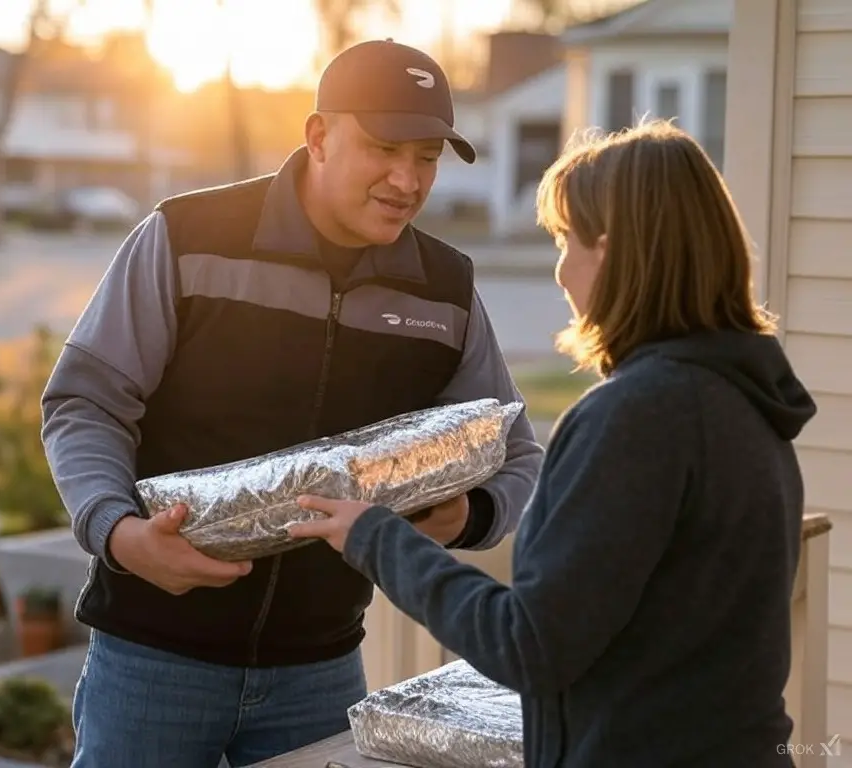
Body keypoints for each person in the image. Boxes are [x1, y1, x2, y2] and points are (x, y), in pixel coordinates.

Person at [41, 38, 544, 768]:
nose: (408, 179)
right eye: (384, 148)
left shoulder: (445, 289)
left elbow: (515, 448)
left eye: (428, 156)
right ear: (318, 136)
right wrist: (118, 534)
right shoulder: (187, 239)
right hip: (153, 660)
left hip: (322, 670)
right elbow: (84, 402)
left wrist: (472, 514)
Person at [290, 119, 818, 768]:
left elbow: (529, 645)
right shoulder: (745, 402)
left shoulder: (639, 416)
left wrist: (377, 538)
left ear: (619, 249)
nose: (562, 272)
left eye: (568, 240)